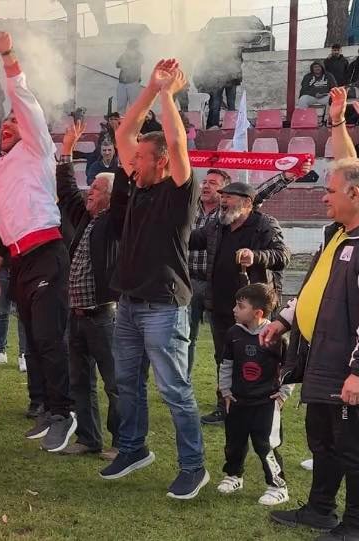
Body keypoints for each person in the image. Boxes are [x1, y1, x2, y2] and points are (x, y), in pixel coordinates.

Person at [262, 158, 359, 540]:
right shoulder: (339, 233)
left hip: (349, 366)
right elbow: (314, 287)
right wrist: (285, 319)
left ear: (355, 193)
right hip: (323, 356)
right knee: (322, 439)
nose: (323, 198)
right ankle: (321, 510)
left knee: (354, 447)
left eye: (330, 191)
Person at [102, 59, 209, 500]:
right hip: (129, 302)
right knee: (127, 383)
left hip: (164, 306)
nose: (132, 161)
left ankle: (193, 467)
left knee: (175, 390)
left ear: (161, 162)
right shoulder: (138, 184)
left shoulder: (179, 190)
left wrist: (168, 95)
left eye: (142, 158)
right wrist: (149, 87)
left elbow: (178, 143)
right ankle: (133, 448)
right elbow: (124, 132)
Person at [0, 31, 76, 452]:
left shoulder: (37, 148)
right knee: (35, 340)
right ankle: (47, 408)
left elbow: (24, 100)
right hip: (20, 260)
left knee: (49, 337)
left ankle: (65, 412)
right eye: (2, 124)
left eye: (12, 122)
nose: (6, 126)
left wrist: (8, 56)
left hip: (45, 252)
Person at [190, 181, 290, 425]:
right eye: (222, 197)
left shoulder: (264, 225)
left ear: (247, 203)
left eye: (229, 197)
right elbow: (192, 239)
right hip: (221, 306)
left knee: (260, 358)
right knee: (224, 358)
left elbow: (283, 255)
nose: (223, 201)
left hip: (254, 310)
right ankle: (225, 407)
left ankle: (264, 405)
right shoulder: (217, 226)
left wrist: (256, 256)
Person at [57, 121, 121, 459]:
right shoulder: (87, 220)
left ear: (111, 196)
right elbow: (68, 192)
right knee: (80, 380)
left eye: (95, 188)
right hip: (78, 315)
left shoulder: (116, 223)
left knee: (114, 382)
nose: (89, 191)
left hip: (103, 315)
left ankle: (122, 442)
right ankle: (88, 438)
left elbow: (127, 190)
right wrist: (66, 151)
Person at [214, 283, 292, 506]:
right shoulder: (233, 333)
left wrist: (283, 393)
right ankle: (234, 475)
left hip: (265, 403)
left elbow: (288, 368)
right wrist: (225, 391)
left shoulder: (277, 337)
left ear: (257, 313)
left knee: (266, 445)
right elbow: (226, 364)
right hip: (237, 401)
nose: (234, 310)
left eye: (240, 306)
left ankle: (277, 486)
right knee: (234, 443)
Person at [189, 169, 228, 421]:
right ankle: (181, 389)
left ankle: (223, 398)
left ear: (224, 191)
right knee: (184, 339)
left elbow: (257, 195)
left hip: (215, 285)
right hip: (189, 282)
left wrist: (285, 177)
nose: (206, 186)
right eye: (205, 181)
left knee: (221, 345)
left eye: (213, 183)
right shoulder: (190, 207)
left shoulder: (226, 214)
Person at [114, 38, 143, 113]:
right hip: (121, 83)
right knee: (120, 106)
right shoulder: (124, 55)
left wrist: (128, 64)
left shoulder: (139, 55)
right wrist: (123, 64)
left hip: (133, 83)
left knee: (134, 106)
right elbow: (117, 64)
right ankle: (121, 119)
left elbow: (139, 63)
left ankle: (134, 120)